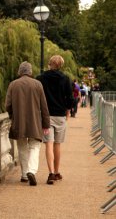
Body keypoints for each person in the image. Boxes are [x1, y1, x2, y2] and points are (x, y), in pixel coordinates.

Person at [6, 61, 50, 186]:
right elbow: (44, 106)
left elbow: (7, 105)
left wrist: (12, 116)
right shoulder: (37, 84)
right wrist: (46, 124)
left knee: (22, 147)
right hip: (35, 122)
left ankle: (25, 174)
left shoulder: (13, 84)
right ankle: (31, 170)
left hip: (18, 122)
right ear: (30, 71)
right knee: (35, 146)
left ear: (20, 71)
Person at [37, 55, 74, 185]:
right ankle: (57, 171)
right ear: (61, 65)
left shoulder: (41, 78)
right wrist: (68, 110)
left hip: (46, 116)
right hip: (60, 115)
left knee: (49, 144)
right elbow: (69, 98)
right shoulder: (65, 79)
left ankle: (51, 172)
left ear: (49, 64)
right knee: (57, 144)